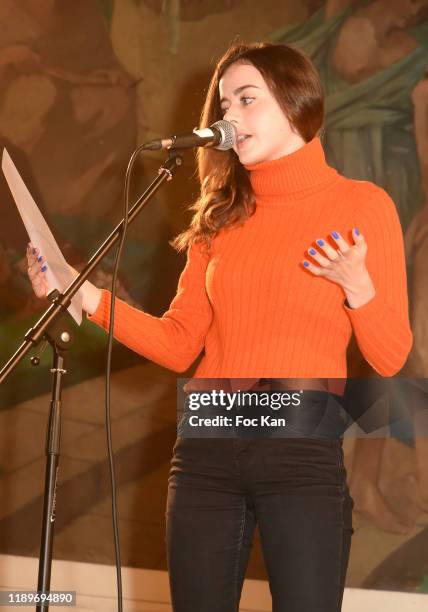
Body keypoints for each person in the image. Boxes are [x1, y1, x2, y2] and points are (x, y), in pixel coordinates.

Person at [26, 42, 412, 612]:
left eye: (246, 98)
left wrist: (359, 288)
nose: (228, 115)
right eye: (224, 102)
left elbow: (391, 357)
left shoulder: (362, 205)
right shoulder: (220, 217)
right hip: (205, 449)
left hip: (299, 450)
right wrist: (86, 296)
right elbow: (180, 341)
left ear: (295, 102)